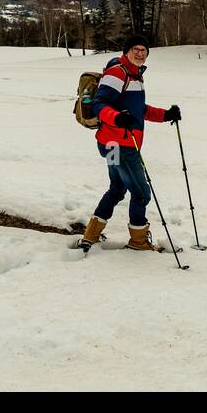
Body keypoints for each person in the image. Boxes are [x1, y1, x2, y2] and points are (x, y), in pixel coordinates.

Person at [78, 34, 181, 252]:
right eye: (135, 49)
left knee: (117, 187)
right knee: (141, 192)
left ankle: (91, 235)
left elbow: (138, 110)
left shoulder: (135, 76)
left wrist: (166, 115)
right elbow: (99, 104)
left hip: (112, 145)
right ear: (126, 51)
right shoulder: (118, 72)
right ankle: (138, 241)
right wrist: (116, 118)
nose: (140, 53)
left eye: (143, 50)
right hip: (120, 145)